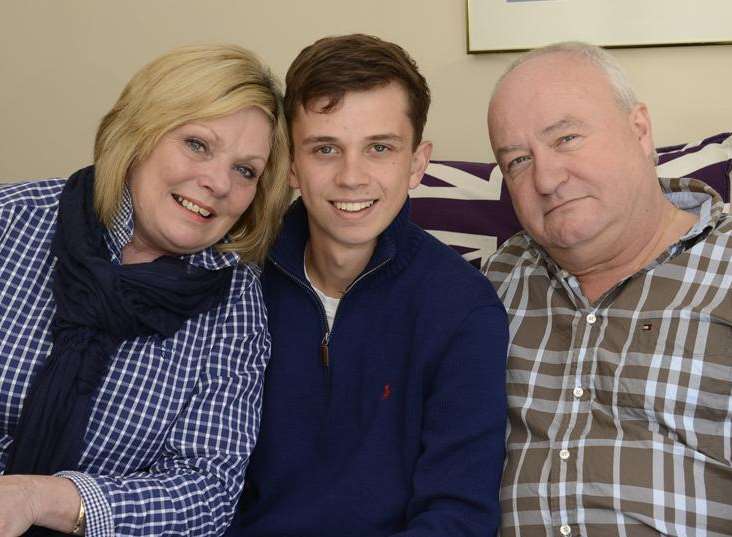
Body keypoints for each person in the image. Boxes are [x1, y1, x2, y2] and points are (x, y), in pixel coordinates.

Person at [0, 44, 291, 536]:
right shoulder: (11, 223)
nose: (217, 182)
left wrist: (41, 498)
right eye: (198, 144)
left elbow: (207, 492)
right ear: (138, 135)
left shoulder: (235, 302)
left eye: (245, 170)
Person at [225, 34, 508, 537]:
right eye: (325, 149)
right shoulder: (233, 280)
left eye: (380, 148)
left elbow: (459, 514)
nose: (351, 177)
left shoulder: (462, 307)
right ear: (290, 163)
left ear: (417, 163)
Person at [482, 41, 732, 536]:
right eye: (517, 162)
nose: (548, 179)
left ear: (639, 130)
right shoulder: (492, 285)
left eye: (567, 138)